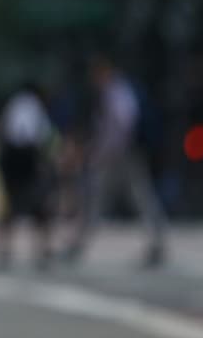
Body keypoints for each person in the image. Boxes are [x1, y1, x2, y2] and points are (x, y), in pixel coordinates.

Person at [61, 54, 168, 267]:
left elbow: (122, 124)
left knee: (136, 198)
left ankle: (157, 243)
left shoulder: (117, 92)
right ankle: (79, 242)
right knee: (99, 197)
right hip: (117, 154)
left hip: (123, 155)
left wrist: (102, 151)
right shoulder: (112, 92)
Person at [0, 81, 56, 270]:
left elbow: (7, 133)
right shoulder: (33, 106)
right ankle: (42, 251)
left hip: (11, 162)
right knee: (40, 208)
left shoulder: (13, 104)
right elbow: (36, 137)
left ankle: (4, 250)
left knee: (10, 208)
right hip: (26, 161)